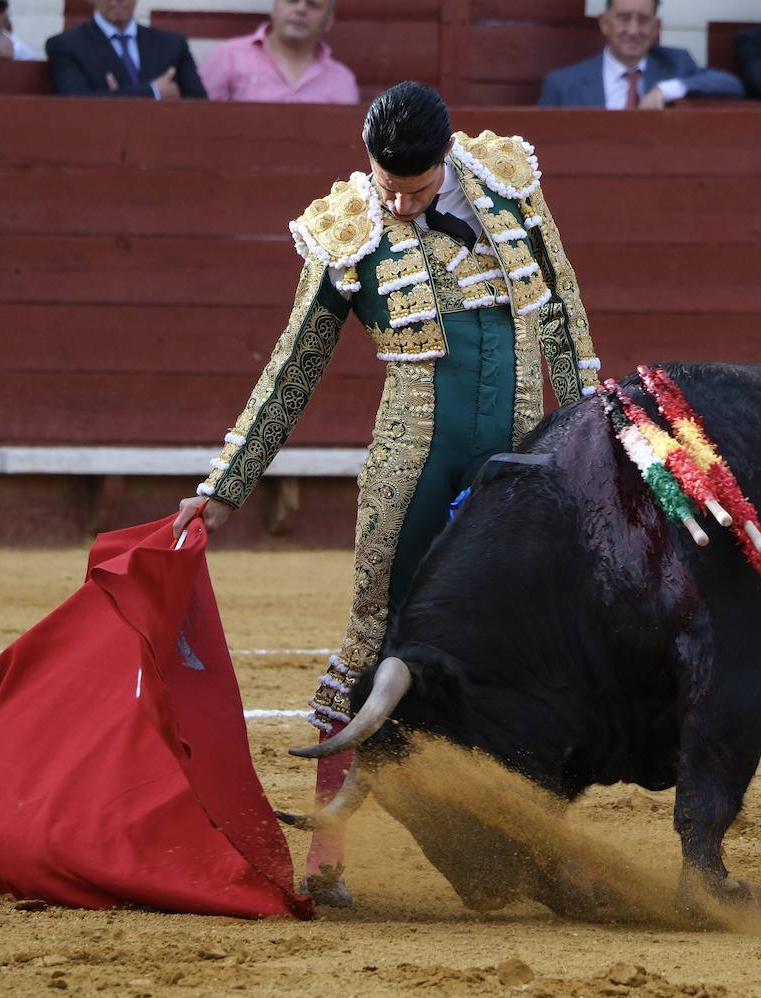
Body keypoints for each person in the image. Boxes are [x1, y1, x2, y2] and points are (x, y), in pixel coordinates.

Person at [171, 81, 601, 906]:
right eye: (388, 186)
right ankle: (327, 860)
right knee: (376, 641)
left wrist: (585, 432)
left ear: (448, 160)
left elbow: (563, 317)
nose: (400, 204)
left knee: (524, 653)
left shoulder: (508, 183)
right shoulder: (347, 229)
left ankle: (544, 849)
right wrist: (227, 485)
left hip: (517, 462)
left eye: (418, 188)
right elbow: (294, 365)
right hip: (414, 462)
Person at [538, 0, 743, 108]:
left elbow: (730, 85)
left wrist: (667, 89)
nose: (633, 30)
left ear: (656, 27)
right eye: (624, 18)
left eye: (643, 20)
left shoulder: (675, 64)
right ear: (604, 23)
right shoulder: (563, 85)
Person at [199, 0, 358, 104]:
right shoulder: (228, 57)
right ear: (274, 7)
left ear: (329, 20)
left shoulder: (341, 81)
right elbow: (198, 122)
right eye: (292, 0)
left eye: (313, 5)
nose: (301, 9)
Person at [45, 0, 207, 99]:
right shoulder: (65, 46)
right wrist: (153, 92)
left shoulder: (172, 44)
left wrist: (114, 95)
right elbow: (74, 103)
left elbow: (199, 105)